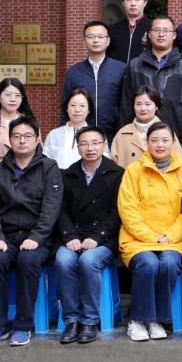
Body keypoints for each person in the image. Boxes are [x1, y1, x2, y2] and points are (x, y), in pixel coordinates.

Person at [0, 115, 63, 347]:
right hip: (6, 236)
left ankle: (23, 325)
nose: (22, 141)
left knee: (28, 261)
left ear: (37, 139)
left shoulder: (49, 167)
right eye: (17, 136)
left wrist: (37, 237)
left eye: (27, 136)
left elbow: (51, 207)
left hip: (38, 237)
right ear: (10, 140)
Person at [118, 121, 182, 342]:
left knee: (169, 263)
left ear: (173, 142)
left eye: (165, 140)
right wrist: (150, 237)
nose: (160, 145)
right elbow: (127, 209)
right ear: (146, 143)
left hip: (172, 240)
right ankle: (138, 320)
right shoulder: (133, 171)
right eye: (154, 140)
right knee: (148, 263)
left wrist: (170, 236)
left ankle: (156, 320)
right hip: (137, 239)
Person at [54, 126, 124, 345]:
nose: (90, 148)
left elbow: (117, 212)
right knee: (63, 260)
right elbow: (60, 210)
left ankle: (89, 321)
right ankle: (72, 320)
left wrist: (97, 236)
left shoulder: (117, 173)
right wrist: (69, 236)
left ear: (104, 145)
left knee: (88, 260)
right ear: (77, 147)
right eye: (84, 143)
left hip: (104, 237)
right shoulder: (68, 174)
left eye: (95, 143)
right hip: (74, 236)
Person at [117, 15, 182, 145]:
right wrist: (125, 138)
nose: (161, 34)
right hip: (139, 139)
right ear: (150, 34)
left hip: (174, 137)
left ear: (174, 35)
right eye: (157, 30)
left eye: (166, 31)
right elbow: (125, 106)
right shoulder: (134, 65)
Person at [59, 20, 125, 140]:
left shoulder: (121, 69)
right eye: (90, 37)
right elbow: (65, 107)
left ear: (108, 41)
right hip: (81, 136)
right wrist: (64, 135)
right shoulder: (74, 72)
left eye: (100, 36)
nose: (95, 40)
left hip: (113, 135)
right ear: (84, 41)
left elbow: (126, 104)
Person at [111, 86, 182, 168]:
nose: (143, 108)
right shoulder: (122, 134)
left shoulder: (167, 132)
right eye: (138, 104)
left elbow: (180, 163)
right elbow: (113, 166)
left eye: (147, 104)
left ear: (156, 106)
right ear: (133, 106)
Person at [44, 87, 92, 169]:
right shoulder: (54, 135)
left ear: (89, 110)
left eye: (82, 106)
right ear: (67, 108)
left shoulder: (97, 135)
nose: (77, 110)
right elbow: (45, 163)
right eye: (73, 105)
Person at [107, 0, 151, 64]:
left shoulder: (153, 28)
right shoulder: (113, 29)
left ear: (145, 2)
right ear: (123, 3)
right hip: (118, 71)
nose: (133, 3)